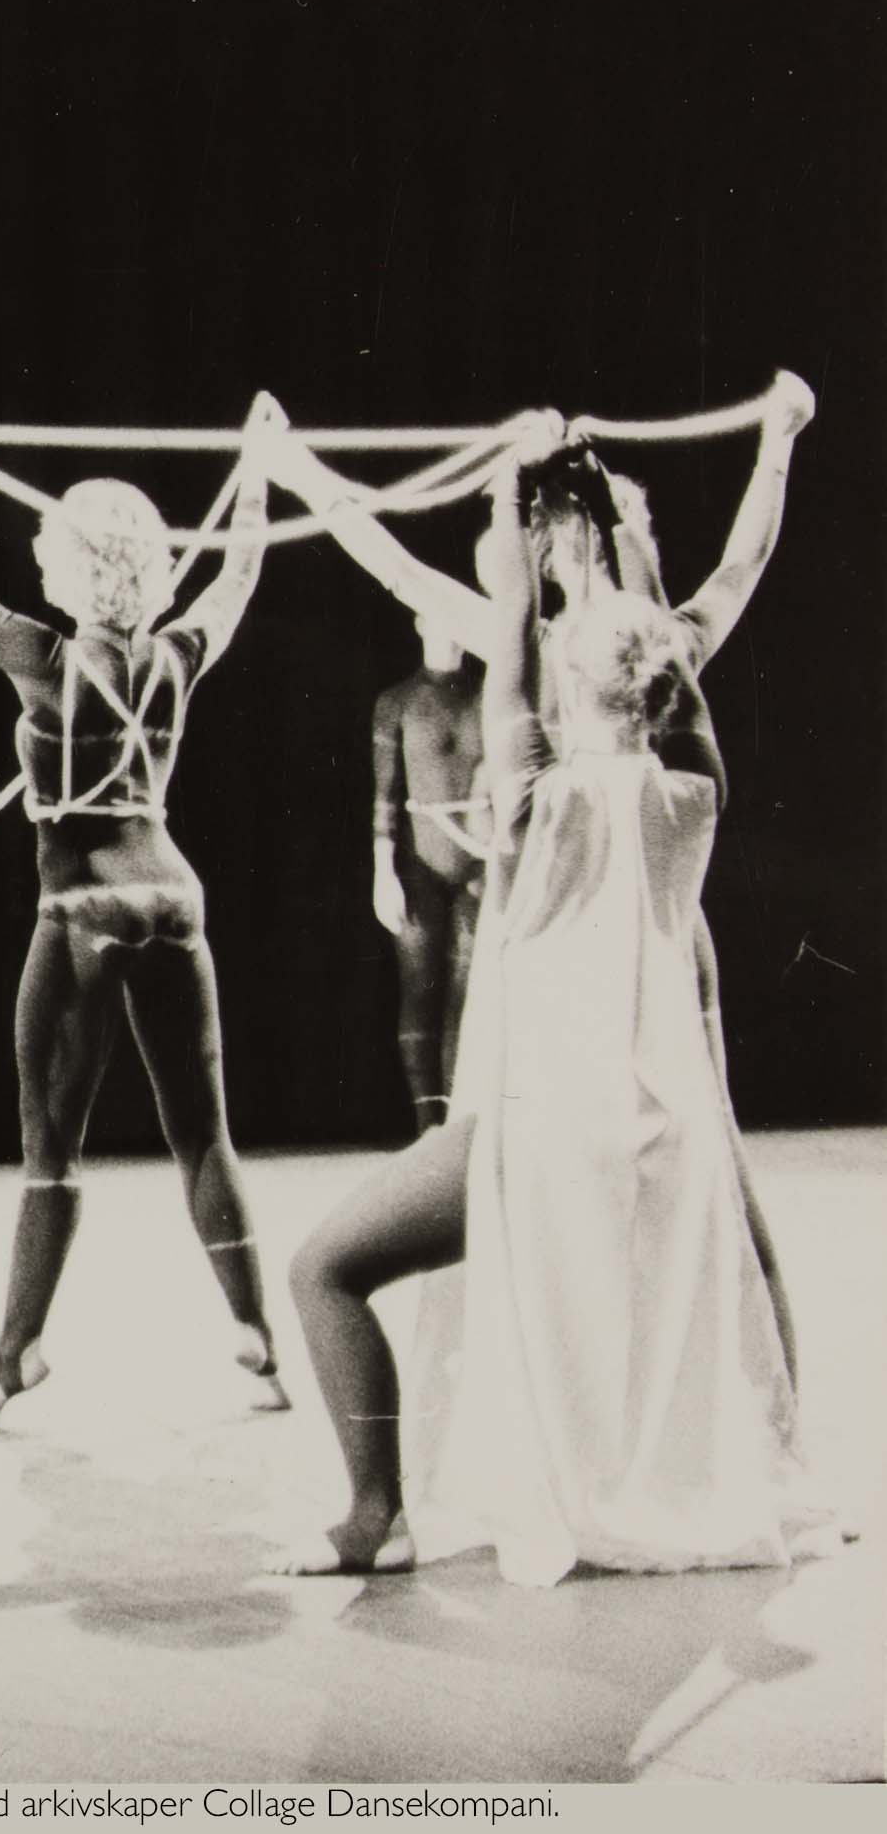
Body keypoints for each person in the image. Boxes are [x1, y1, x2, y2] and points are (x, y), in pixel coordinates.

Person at [275, 451, 835, 1583]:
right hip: (655, 1123)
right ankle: (775, 1465)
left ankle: (372, 1512)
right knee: (735, 1239)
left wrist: (480, 500)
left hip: (544, 1134)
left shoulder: (530, 788)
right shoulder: (693, 792)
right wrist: (771, 440)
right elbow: (733, 575)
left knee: (323, 1266)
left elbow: (495, 661)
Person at [0, 378, 291, 1432]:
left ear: (71, 562)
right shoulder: (178, 654)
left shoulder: (45, 659)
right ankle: (256, 1337)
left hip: (83, 904)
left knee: (49, 1147)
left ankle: (13, 1354)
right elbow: (239, 570)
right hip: (173, 896)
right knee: (202, 1133)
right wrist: (257, 466)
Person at [370, 609, 488, 1131]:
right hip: (419, 866)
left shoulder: (488, 697)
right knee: (420, 989)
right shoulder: (397, 702)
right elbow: (385, 797)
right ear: (422, 624)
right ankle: (427, 1128)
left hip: (479, 864)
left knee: (469, 993)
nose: (454, 629)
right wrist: (383, 874)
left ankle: (458, 1126)